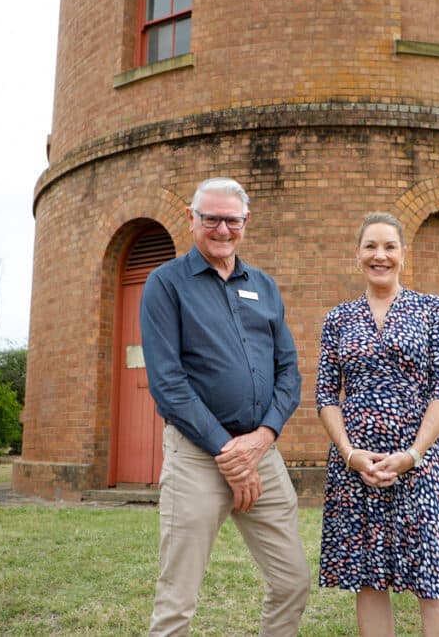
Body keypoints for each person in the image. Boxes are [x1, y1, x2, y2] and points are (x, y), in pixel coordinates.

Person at [140, 177, 310, 636]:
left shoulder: (265, 287)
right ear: (192, 220)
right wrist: (226, 451)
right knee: (178, 596)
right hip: (197, 457)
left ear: (245, 223)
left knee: (293, 579)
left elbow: (288, 373)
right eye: (210, 218)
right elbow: (167, 383)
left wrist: (261, 439)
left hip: (262, 454)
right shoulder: (165, 284)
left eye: (231, 220)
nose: (221, 229)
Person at [316, 212, 439, 636]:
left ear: (403, 254)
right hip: (356, 466)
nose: (379, 255)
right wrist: (350, 455)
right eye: (370, 246)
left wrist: (412, 455)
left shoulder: (432, 310)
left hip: (419, 463)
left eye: (389, 246)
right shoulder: (338, 319)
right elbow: (326, 396)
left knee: (433, 581)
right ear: (357, 254)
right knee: (369, 579)